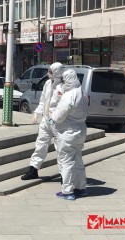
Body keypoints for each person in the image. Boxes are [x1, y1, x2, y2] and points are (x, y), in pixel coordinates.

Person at [48, 69, 88, 200]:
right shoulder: (82, 92)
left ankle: (67, 191)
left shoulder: (69, 95)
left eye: (64, 80)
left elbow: (59, 115)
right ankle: (81, 188)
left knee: (66, 162)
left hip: (67, 132)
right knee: (78, 161)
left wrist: (51, 118)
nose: (62, 83)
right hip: (80, 131)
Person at [21, 62, 64, 180]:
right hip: (46, 120)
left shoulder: (63, 87)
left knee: (60, 147)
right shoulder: (47, 84)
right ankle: (33, 170)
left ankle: (64, 173)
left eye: (51, 72)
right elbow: (43, 101)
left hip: (58, 122)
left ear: (57, 73)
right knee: (40, 144)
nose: (48, 74)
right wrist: (37, 113)